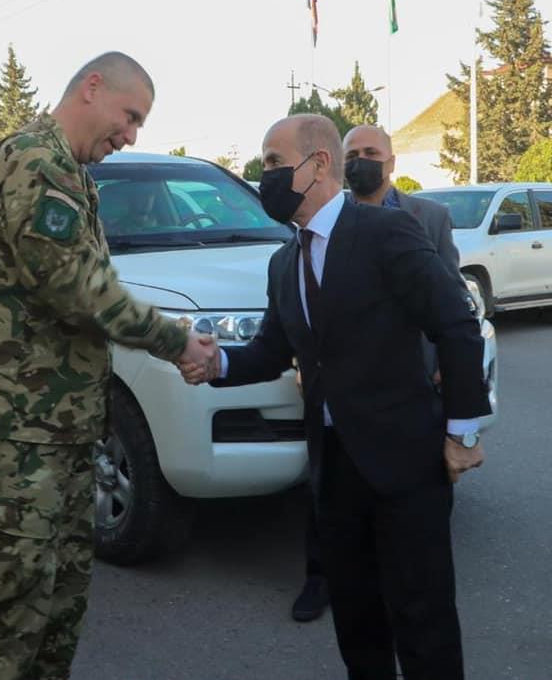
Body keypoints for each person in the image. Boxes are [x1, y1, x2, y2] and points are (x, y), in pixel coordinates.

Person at [182, 114, 490, 679]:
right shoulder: (284, 262)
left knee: (423, 620)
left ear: (319, 164)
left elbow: (456, 325)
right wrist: (215, 362)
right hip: (334, 466)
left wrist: (462, 431)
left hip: (407, 463)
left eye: (274, 163)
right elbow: (274, 351)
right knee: (357, 619)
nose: (263, 175)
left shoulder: (384, 233)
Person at [0, 51, 214, 679]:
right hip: (12, 436)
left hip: (58, 431)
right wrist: (174, 341)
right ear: (92, 88)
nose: (131, 135)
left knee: (57, 603)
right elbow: (76, 287)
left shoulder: (73, 174)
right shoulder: (35, 162)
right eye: (130, 115)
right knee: (2, 613)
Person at [290, 123, 471, 622]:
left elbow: (450, 300)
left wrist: (448, 384)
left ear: (392, 162)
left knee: (409, 531)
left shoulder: (427, 217)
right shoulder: (317, 226)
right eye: (354, 153)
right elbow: (305, 309)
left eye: (372, 152)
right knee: (329, 493)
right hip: (339, 392)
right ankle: (321, 579)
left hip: (405, 387)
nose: (362, 161)